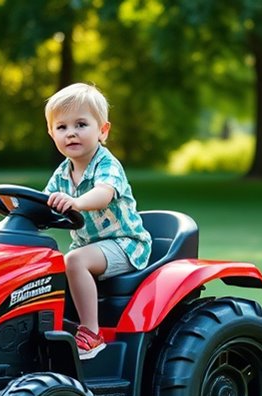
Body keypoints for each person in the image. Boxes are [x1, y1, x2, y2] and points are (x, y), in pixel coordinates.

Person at [42, 82, 151, 359]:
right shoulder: (62, 172)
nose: (71, 133)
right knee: (44, 263)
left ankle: (91, 334)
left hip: (124, 244)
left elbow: (103, 194)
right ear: (52, 134)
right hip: (90, 247)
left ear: (103, 130)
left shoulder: (107, 164)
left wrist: (76, 202)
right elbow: (43, 204)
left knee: (74, 261)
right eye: (62, 127)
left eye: (81, 124)